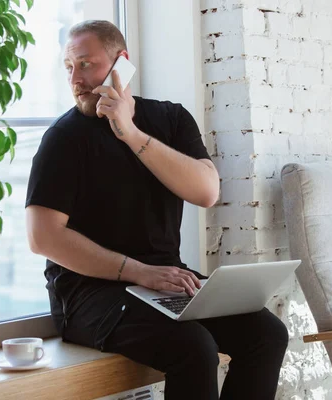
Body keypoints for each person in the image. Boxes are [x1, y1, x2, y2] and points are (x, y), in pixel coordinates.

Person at [25, 20, 289, 400]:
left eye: (86, 64)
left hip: (162, 283)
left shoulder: (170, 119)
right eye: (69, 67)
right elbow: (42, 237)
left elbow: (206, 191)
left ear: (122, 63)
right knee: (194, 347)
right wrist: (139, 271)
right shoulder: (63, 139)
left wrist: (129, 132)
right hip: (87, 295)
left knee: (266, 334)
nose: (75, 79)